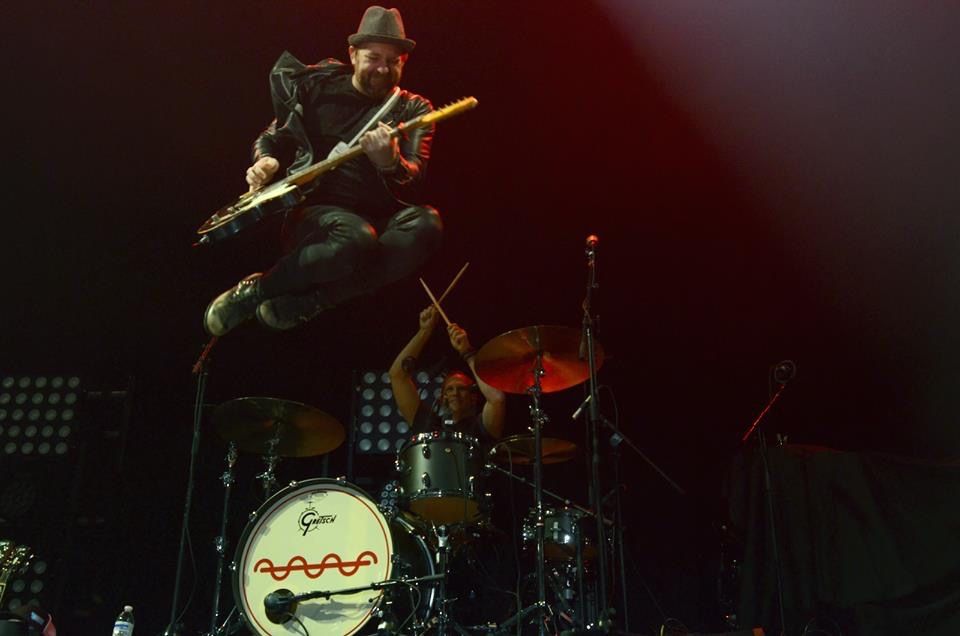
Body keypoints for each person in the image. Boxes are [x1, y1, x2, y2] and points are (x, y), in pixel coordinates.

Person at [204, 5, 442, 336]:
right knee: (356, 237)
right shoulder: (319, 89)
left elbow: (414, 181)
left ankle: (311, 302)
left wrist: (390, 162)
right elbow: (271, 138)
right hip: (315, 215)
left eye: (393, 61)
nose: (383, 68)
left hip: (378, 221)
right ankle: (256, 291)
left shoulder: (414, 108)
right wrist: (264, 160)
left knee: (427, 224)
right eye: (374, 57)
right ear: (353, 54)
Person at [389, 306, 505, 443]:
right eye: (449, 389)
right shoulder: (430, 425)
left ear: (473, 397)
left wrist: (467, 352)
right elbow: (397, 376)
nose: (455, 393)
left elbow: (497, 398)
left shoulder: (481, 426)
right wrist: (424, 331)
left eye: (461, 388)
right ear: (443, 397)